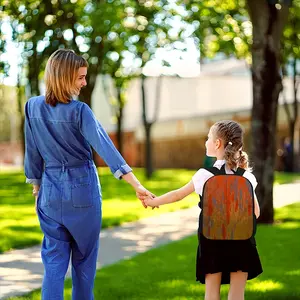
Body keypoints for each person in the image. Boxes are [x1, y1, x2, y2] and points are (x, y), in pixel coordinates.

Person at [24, 49, 153, 300]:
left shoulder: (32, 107)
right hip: (82, 191)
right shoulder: (79, 111)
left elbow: (32, 152)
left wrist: (37, 189)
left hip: (49, 193)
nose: (84, 83)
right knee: (83, 263)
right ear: (64, 77)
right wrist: (136, 184)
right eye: (80, 77)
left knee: (53, 264)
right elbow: (106, 148)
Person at [144, 120, 263, 300]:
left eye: (208, 138)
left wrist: (154, 202)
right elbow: (256, 212)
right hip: (241, 242)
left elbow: (178, 195)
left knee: (211, 295)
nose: (206, 142)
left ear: (217, 144)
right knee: (237, 295)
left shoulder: (205, 175)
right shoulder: (247, 177)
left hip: (212, 242)